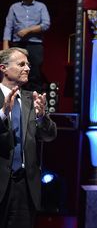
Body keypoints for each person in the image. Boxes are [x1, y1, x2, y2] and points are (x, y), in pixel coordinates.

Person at [0, 47, 57, 228]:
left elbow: (49, 136)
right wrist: (3, 113)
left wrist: (41, 116)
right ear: (3, 68)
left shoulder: (31, 100)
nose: (27, 69)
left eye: (28, 65)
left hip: (24, 187)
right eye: (21, 64)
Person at [3, 0, 51, 92]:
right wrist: (5, 45)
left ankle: (34, 102)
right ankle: (16, 99)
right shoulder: (14, 7)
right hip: (17, 45)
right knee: (16, 72)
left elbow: (46, 24)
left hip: (35, 44)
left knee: (34, 73)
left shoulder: (41, 6)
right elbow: (8, 26)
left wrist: (28, 30)